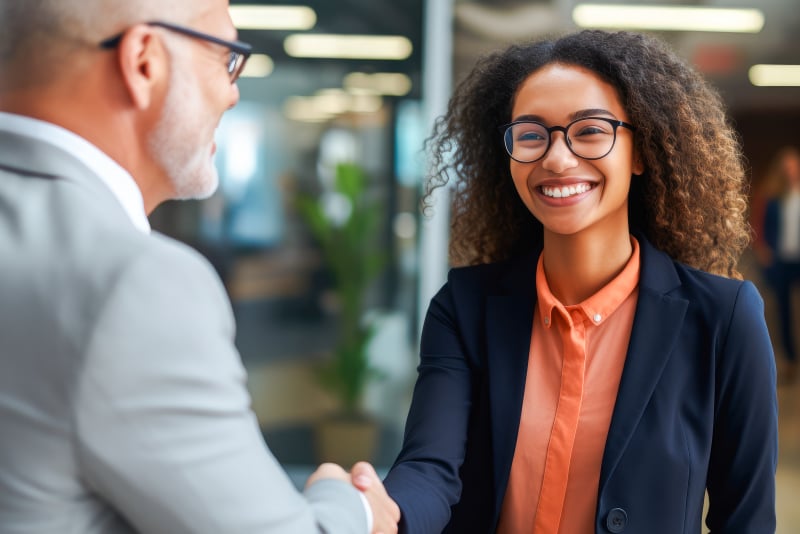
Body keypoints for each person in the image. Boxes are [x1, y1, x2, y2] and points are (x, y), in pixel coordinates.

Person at [0, 1, 399, 533]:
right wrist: (350, 503)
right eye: (225, 56)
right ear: (144, 61)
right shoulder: (133, 285)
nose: (233, 90)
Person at [383, 30, 777, 533]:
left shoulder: (724, 319)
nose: (556, 157)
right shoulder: (464, 307)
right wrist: (382, 513)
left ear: (640, 153)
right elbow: (430, 469)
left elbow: (745, 519)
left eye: (589, 130)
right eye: (531, 135)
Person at [755, 146, 800, 383]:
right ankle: (790, 360)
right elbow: (761, 226)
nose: (790, 172)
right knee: (783, 312)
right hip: (782, 260)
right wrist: (764, 249)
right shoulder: (773, 196)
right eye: (786, 167)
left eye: (794, 166)